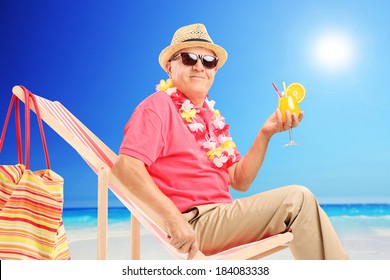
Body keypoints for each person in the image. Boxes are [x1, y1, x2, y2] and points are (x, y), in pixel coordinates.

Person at [111, 23, 349, 260]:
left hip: (222, 217)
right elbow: (126, 168)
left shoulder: (211, 118)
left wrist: (265, 134)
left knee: (301, 205)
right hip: (194, 224)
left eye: (208, 61)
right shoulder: (157, 107)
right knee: (297, 200)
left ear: (214, 70)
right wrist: (172, 218)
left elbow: (240, 180)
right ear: (169, 67)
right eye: (189, 58)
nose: (199, 66)